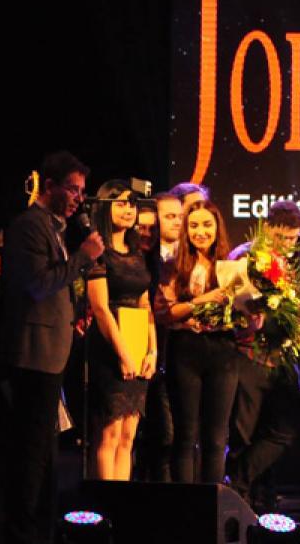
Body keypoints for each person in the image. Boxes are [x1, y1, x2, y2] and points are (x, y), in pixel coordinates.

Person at [0, 151, 103, 544]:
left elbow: (56, 285)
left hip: (52, 351)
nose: (79, 198)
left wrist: (75, 311)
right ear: (49, 186)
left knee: (44, 448)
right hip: (32, 354)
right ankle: (21, 529)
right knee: (30, 449)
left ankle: (41, 525)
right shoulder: (29, 226)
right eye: (73, 189)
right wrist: (83, 258)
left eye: (82, 191)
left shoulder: (55, 227)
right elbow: (38, 284)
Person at [226, 199, 300, 509]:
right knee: (243, 433)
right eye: (280, 237)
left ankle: (240, 482)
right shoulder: (244, 256)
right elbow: (228, 300)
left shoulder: (296, 260)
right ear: (267, 228)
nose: (287, 244)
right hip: (249, 355)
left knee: (284, 431)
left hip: (282, 358)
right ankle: (238, 496)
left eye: (292, 238)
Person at [85, 181, 157, 480]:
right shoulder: (98, 252)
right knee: (110, 433)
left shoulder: (137, 252)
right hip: (110, 345)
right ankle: (104, 502)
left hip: (138, 342)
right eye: (121, 203)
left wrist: (152, 351)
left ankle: (122, 501)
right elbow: (100, 308)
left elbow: (145, 303)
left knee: (128, 435)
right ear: (105, 206)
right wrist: (122, 353)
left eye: (132, 204)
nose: (129, 209)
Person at [162, 200, 237, 484]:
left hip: (223, 350)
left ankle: (212, 502)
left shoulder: (232, 264)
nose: (200, 232)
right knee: (185, 434)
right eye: (193, 226)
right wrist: (202, 300)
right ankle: (184, 503)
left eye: (207, 225)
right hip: (185, 350)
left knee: (216, 437)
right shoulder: (174, 264)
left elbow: (246, 314)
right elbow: (167, 313)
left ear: (218, 228)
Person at [137, 192, 183, 482]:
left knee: (172, 433)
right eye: (169, 217)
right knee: (155, 432)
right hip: (145, 349)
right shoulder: (144, 258)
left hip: (175, 355)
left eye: (180, 216)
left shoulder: (186, 257)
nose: (177, 222)